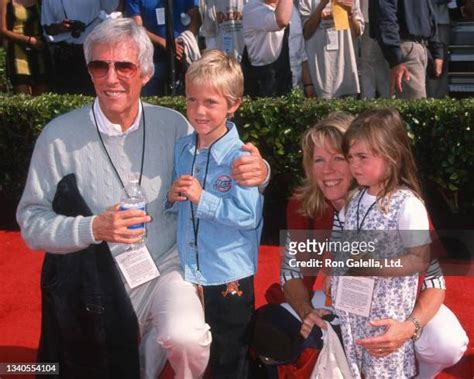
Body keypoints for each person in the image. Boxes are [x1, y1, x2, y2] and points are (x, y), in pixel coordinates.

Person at [16, 17, 269, 379]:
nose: (111, 77)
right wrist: (93, 227)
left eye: (124, 66)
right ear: (89, 72)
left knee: (188, 339)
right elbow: (31, 223)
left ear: (146, 73)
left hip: (168, 267)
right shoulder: (57, 137)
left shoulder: (174, 125)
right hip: (98, 281)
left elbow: (222, 160)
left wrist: (263, 173)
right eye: (99, 65)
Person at [277, 111, 467, 378]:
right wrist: (306, 310)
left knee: (445, 342)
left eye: (339, 158)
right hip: (340, 300)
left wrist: (408, 327)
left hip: (395, 305)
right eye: (318, 160)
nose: (327, 170)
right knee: (279, 323)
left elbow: (434, 281)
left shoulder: (400, 203)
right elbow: (292, 273)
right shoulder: (302, 205)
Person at [166, 49, 264, 378]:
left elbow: (247, 216)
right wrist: (171, 197)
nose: (199, 111)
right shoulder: (182, 148)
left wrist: (202, 198)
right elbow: (178, 205)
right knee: (199, 355)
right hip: (191, 272)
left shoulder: (241, 157)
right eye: (192, 100)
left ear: (233, 104)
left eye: (210, 102)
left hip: (229, 273)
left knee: (230, 356)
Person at [41, 0, 120, 95]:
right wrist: (60, 27)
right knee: (66, 98)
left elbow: (111, 9)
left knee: (94, 97)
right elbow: (47, 29)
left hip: (93, 52)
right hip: (64, 55)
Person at [369, 0, 444, 99]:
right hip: (403, 48)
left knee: (414, 107)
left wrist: (436, 49)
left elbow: (429, 10)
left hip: (414, 47)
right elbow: (385, 14)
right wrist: (396, 58)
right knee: (413, 108)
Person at [125, 0, 201, 96]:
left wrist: (184, 41)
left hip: (182, 59)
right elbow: (136, 28)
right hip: (153, 61)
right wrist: (164, 43)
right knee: (152, 104)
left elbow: (196, 18)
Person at [299, 0, 363, 99]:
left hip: (345, 79)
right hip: (319, 79)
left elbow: (357, 33)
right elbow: (306, 33)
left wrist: (350, 16)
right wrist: (322, 5)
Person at [241, 0, 293, 97]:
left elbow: (299, 48)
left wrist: (308, 84)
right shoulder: (252, 8)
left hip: (290, 82)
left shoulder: (290, 8)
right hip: (264, 88)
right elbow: (281, 20)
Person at [0, 0, 50, 95]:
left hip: (39, 50)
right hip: (17, 52)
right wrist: (28, 40)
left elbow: (47, 25)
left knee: (41, 98)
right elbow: (3, 30)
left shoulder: (40, 2)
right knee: (23, 96)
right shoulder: (5, 1)